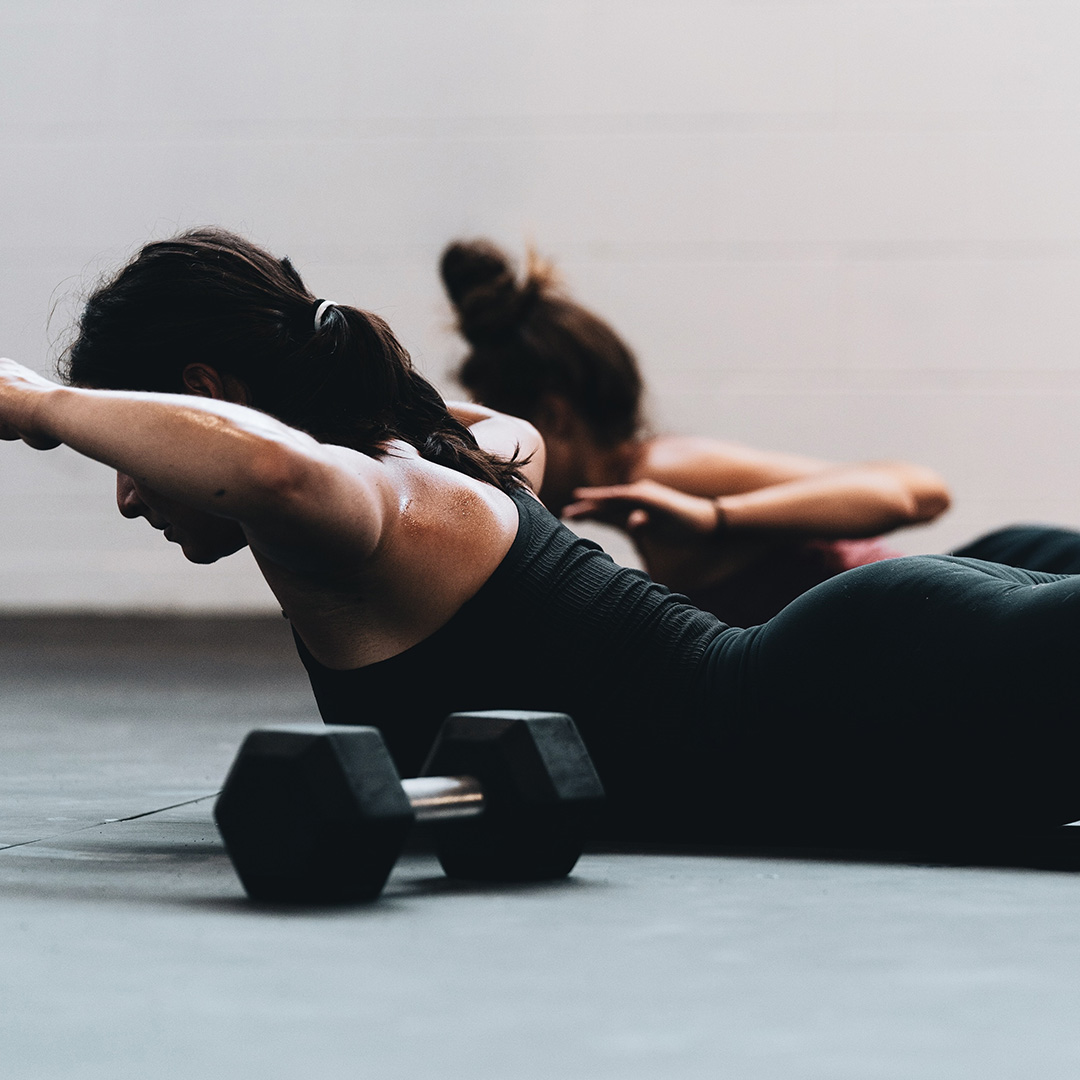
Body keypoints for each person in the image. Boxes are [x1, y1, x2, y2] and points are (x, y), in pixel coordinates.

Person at [4, 227, 1080, 850]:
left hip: (859, 703)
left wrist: (40, 406)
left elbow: (272, 465)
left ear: (204, 396)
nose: (131, 497)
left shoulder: (368, 506)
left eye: (130, 455)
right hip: (866, 711)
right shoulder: (459, 450)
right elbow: (317, 442)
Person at [441, 239, 1080, 626]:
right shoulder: (644, 508)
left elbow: (918, 491)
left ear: (555, 418)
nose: (496, 465)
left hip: (974, 601)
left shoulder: (666, 471)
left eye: (502, 438)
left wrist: (718, 518)